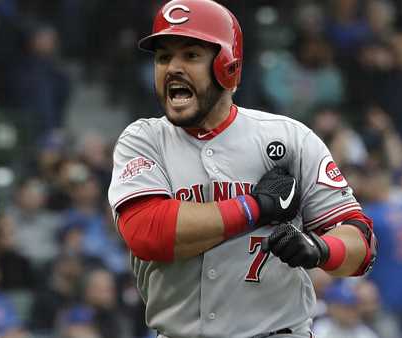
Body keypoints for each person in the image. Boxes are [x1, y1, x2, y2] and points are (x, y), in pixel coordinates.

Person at [108, 1, 377, 338]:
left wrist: (319, 249)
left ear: (227, 67)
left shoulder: (289, 138)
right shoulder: (144, 139)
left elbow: (361, 244)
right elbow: (148, 233)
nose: (172, 68)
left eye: (190, 55)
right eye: (163, 58)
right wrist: (256, 207)